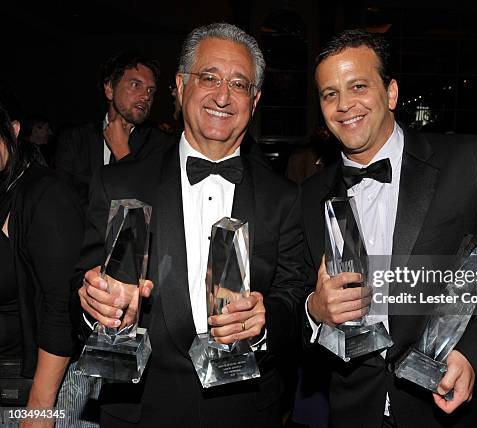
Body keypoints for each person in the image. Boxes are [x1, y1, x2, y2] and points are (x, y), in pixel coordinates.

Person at [301, 30, 477, 428]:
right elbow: (293, 297)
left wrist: (472, 354)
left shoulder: (468, 162)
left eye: (358, 86)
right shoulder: (310, 195)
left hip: (446, 409)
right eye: (330, 94)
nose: (344, 104)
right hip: (352, 410)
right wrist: (315, 309)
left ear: (391, 93)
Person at [73, 23, 305, 427]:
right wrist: (96, 307)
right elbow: (79, 290)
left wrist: (266, 322)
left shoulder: (283, 196)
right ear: (181, 87)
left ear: (255, 100)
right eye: (209, 77)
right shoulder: (120, 183)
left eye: (238, 83)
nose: (222, 95)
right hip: (141, 410)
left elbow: (295, 298)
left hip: (247, 411)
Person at [0, 100, 83, 425]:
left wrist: (38, 409)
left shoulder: (45, 194)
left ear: (13, 131)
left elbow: (59, 305)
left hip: (37, 388)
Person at [55, 51, 172, 210]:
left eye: (151, 90)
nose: (146, 96)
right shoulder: (75, 140)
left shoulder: (160, 145)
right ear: (110, 89)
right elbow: (61, 204)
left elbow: (149, 208)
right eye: (135, 85)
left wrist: (123, 154)